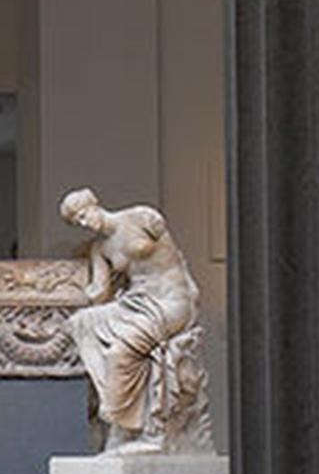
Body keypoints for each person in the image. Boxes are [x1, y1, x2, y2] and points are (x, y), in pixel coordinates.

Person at [59, 186, 208, 454]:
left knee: (120, 352)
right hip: (135, 303)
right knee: (81, 323)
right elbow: (98, 291)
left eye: (83, 215)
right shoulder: (100, 249)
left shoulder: (141, 217)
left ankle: (131, 426)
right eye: (77, 222)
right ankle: (117, 404)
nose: (84, 222)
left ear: (94, 204)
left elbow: (179, 260)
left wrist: (193, 297)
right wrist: (64, 284)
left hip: (170, 302)